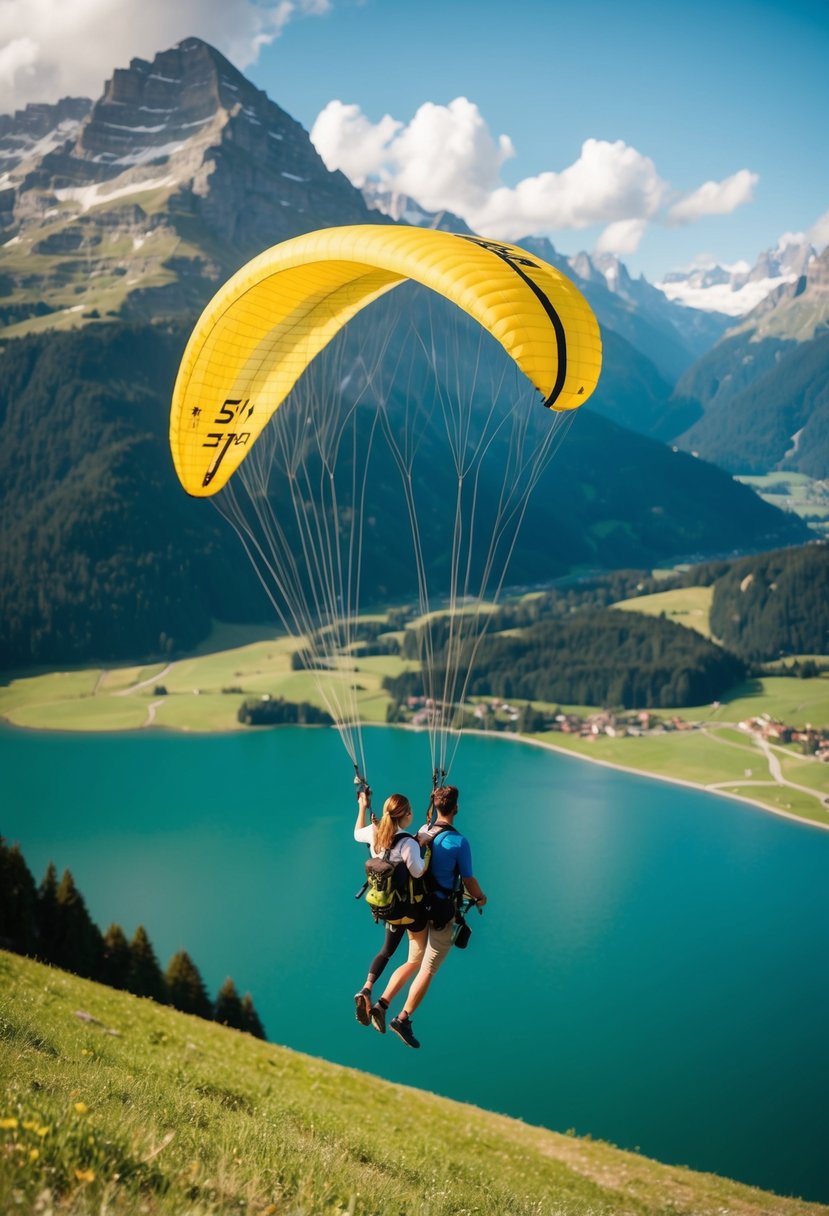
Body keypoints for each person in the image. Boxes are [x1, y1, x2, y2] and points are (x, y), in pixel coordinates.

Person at [372, 784, 487, 1050]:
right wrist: (481, 898)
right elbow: (468, 879)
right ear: (456, 808)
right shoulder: (459, 842)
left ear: (435, 806)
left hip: (418, 910)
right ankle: (403, 1019)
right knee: (428, 967)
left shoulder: (422, 831)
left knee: (413, 959)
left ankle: (382, 1003)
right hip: (441, 912)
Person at [352, 788, 428, 1028]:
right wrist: (423, 846)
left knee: (386, 952)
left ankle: (366, 988)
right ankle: (382, 1005)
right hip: (411, 913)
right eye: (411, 811)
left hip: (388, 909)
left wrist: (362, 806)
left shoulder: (374, 833)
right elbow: (418, 871)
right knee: (416, 961)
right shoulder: (408, 843)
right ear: (404, 815)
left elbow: (356, 833)